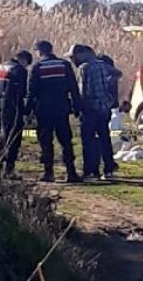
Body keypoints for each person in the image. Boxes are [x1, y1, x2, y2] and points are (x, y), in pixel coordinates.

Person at [26, 40, 82, 183]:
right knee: (65, 140)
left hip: (43, 109)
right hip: (62, 107)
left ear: (39, 52)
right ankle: (71, 172)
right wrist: (77, 107)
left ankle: (48, 172)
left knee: (46, 141)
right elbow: (74, 88)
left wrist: (27, 111)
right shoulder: (64, 65)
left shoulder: (37, 67)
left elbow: (31, 91)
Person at [67, 45, 122, 180]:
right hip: (104, 108)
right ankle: (109, 170)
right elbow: (118, 73)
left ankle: (90, 172)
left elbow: (83, 91)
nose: (73, 60)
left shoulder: (84, 68)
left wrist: (77, 108)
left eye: (73, 57)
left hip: (90, 109)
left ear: (81, 54)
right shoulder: (102, 64)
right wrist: (109, 96)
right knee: (105, 138)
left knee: (88, 141)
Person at [0, 50, 33, 180]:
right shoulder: (19, 70)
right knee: (13, 138)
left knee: (0, 137)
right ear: (24, 59)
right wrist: (26, 109)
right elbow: (23, 92)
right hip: (11, 107)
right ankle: (9, 169)